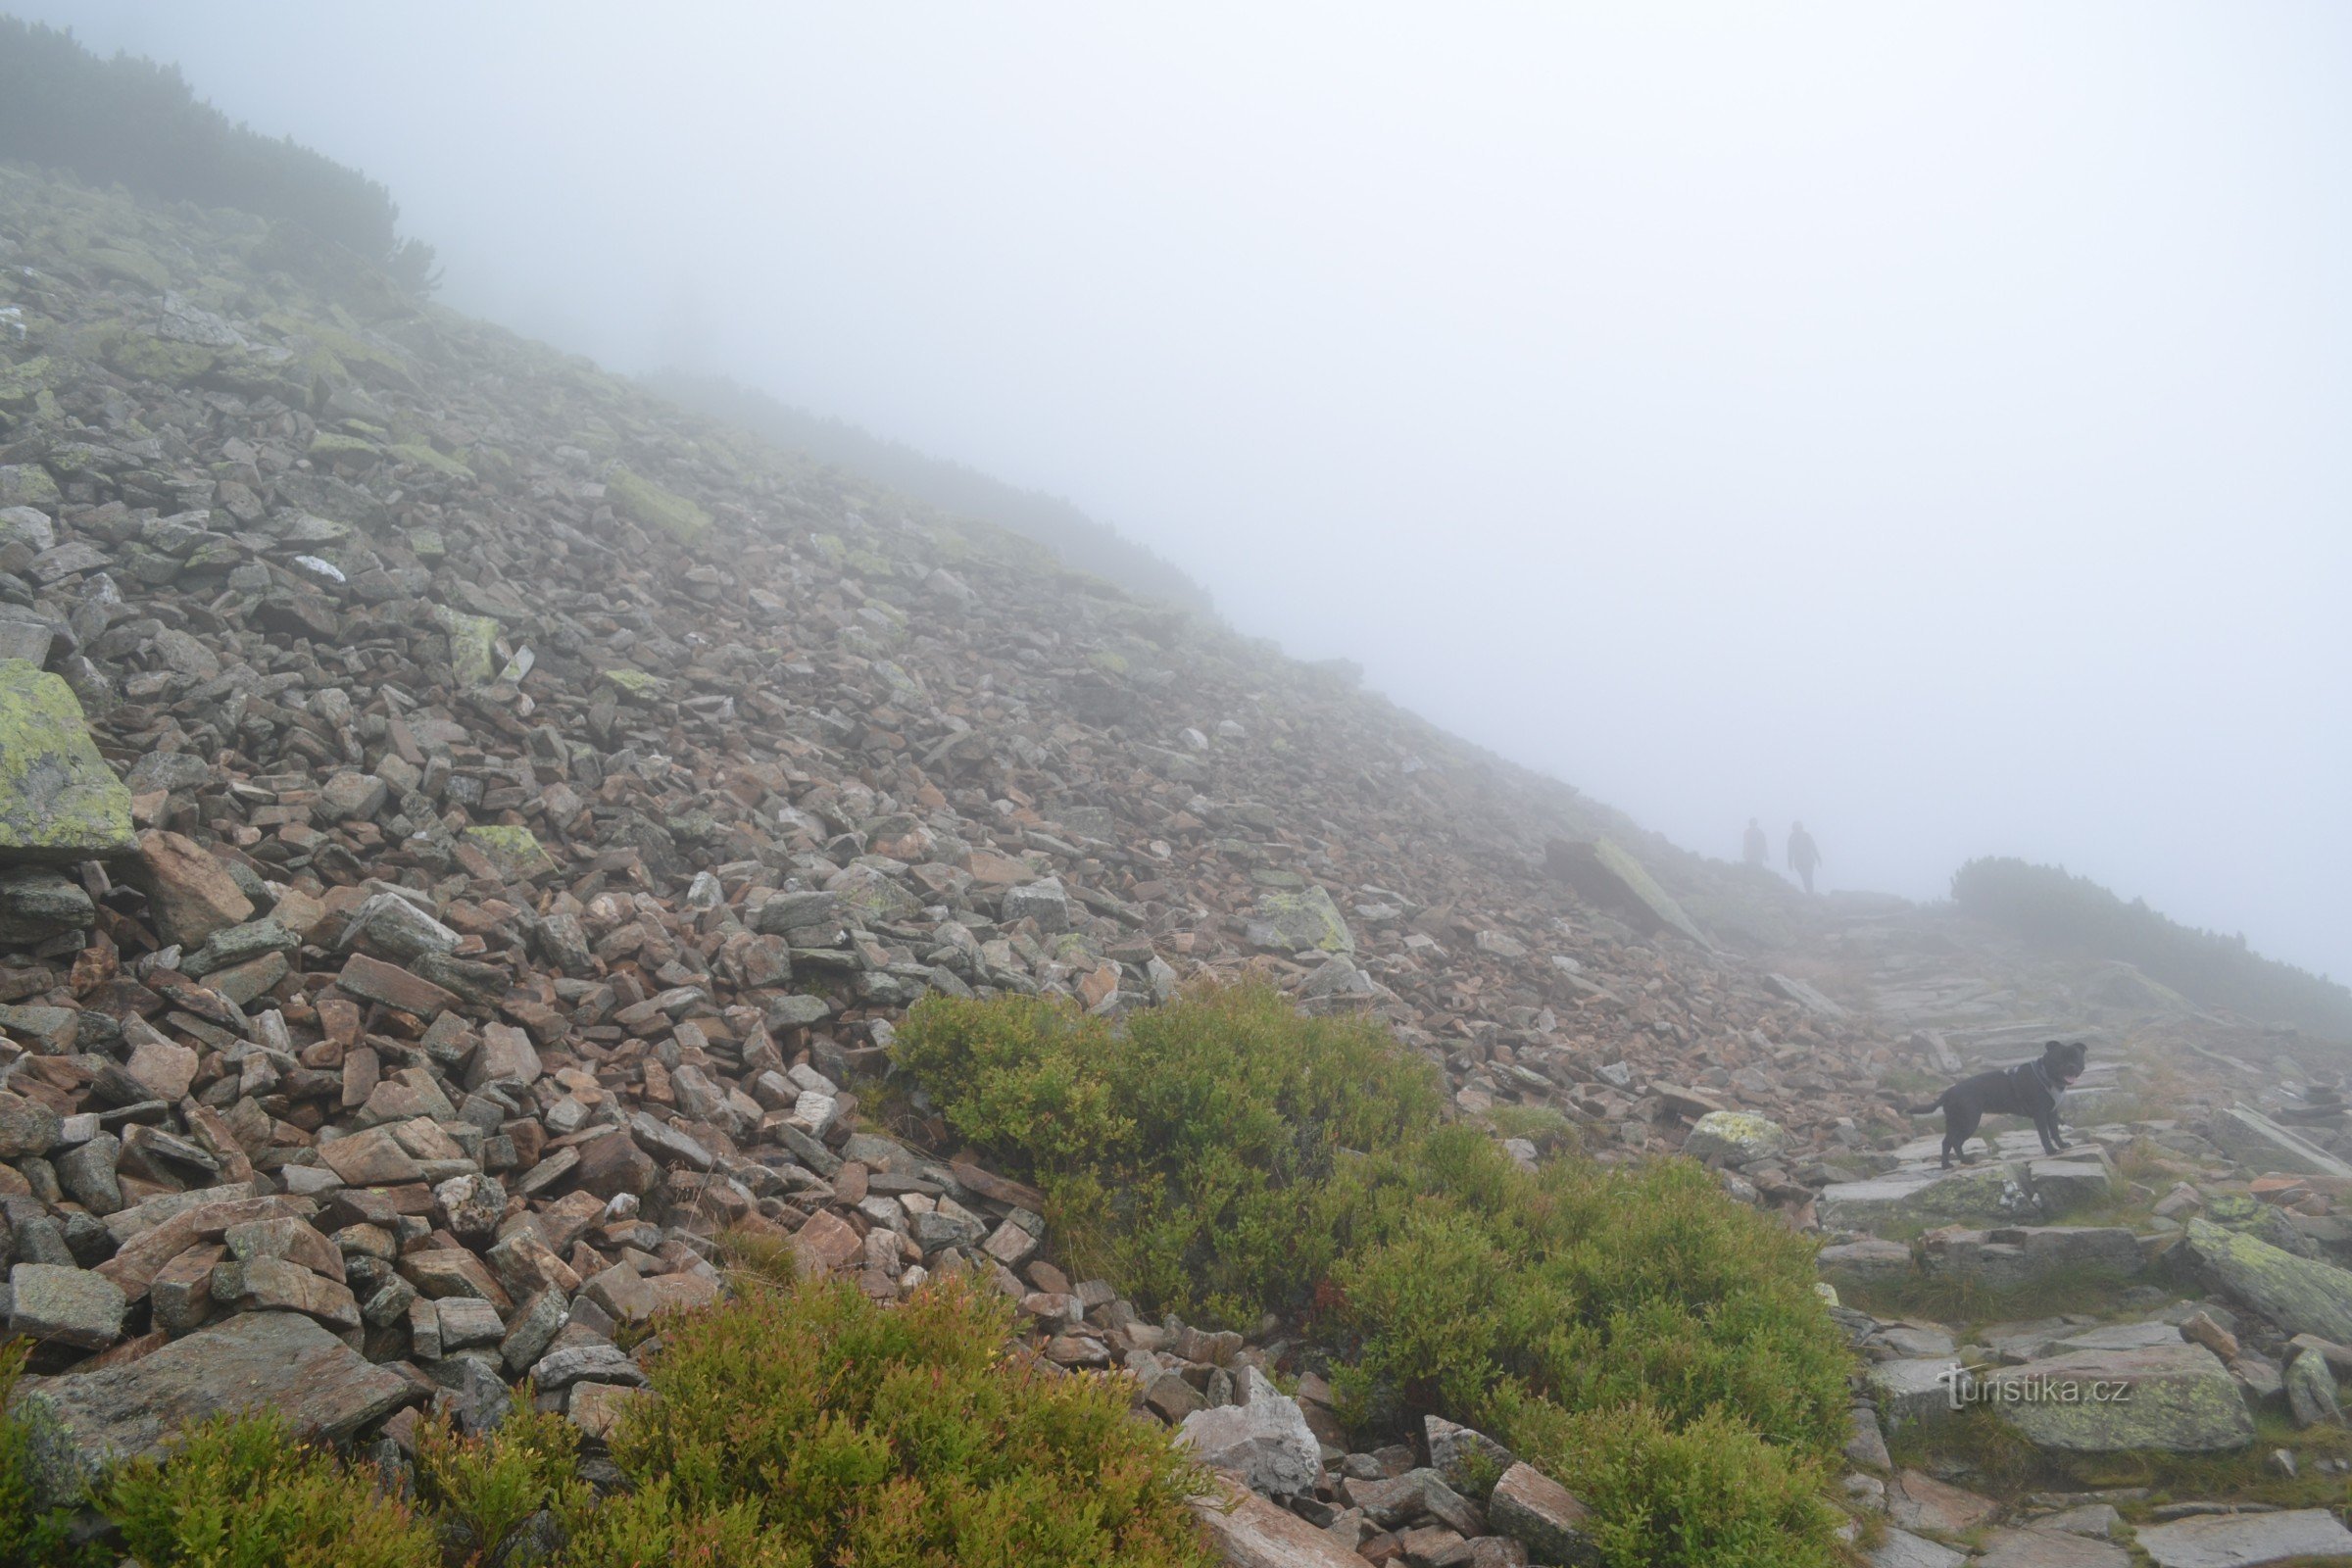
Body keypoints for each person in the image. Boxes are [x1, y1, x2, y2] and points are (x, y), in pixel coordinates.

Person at [1787, 821, 1822, 894]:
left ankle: (1810, 893)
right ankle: (1809, 893)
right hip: (1800, 862)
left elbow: (1813, 847)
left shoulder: (1806, 836)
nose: (1797, 829)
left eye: (1798, 828)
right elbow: (1790, 851)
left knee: (1808, 877)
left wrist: (1818, 858)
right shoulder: (1792, 837)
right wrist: (1790, 862)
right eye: (1796, 828)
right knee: (1805, 878)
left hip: (1808, 861)